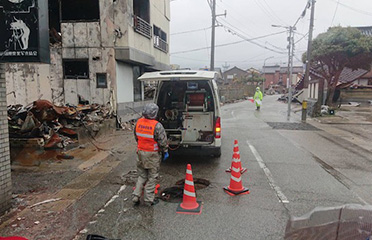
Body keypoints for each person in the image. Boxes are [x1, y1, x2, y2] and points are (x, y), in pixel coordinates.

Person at [132, 103, 168, 206]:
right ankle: (148, 200)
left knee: (142, 176)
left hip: (140, 153)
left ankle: (136, 196)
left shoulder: (138, 123)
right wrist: (165, 151)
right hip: (152, 154)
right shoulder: (157, 125)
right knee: (152, 177)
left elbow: (136, 137)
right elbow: (162, 141)